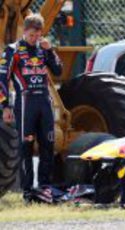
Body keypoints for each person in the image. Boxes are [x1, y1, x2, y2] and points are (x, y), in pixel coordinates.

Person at [0, 13, 62, 203]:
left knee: (48, 145)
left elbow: (58, 71)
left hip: (45, 102)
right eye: (31, 35)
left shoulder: (43, 49)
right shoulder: (13, 50)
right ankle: (27, 192)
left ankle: (44, 188)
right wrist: (5, 107)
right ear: (25, 31)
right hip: (25, 103)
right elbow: (2, 80)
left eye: (38, 35)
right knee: (26, 146)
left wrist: (50, 50)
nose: (35, 39)